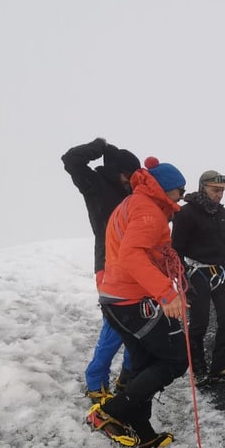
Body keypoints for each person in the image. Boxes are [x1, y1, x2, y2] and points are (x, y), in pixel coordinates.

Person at [86, 157, 189, 448]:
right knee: (175, 358)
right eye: (179, 190)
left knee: (144, 362)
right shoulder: (148, 211)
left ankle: (143, 433)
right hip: (132, 298)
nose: (181, 195)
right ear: (165, 188)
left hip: (115, 297)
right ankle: (110, 413)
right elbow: (132, 256)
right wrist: (166, 294)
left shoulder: (132, 204)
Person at [61, 137, 139, 404]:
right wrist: (100, 146)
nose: (132, 181)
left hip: (133, 264)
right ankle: (96, 383)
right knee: (116, 325)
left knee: (139, 322)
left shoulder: (129, 191)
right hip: (107, 264)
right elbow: (70, 160)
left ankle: (128, 377)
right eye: (129, 175)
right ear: (117, 171)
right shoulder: (94, 184)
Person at [171, 169, 225, 387]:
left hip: (220, 269)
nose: (219, 195)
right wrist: (183, 280)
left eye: (221, 190)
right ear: (203, 188)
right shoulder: (185, 213)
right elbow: (176, 250)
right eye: (215, 190)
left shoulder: (220, 211)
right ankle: (199, 370)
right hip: (196, 272)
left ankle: (220, 365)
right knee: (199, 324)